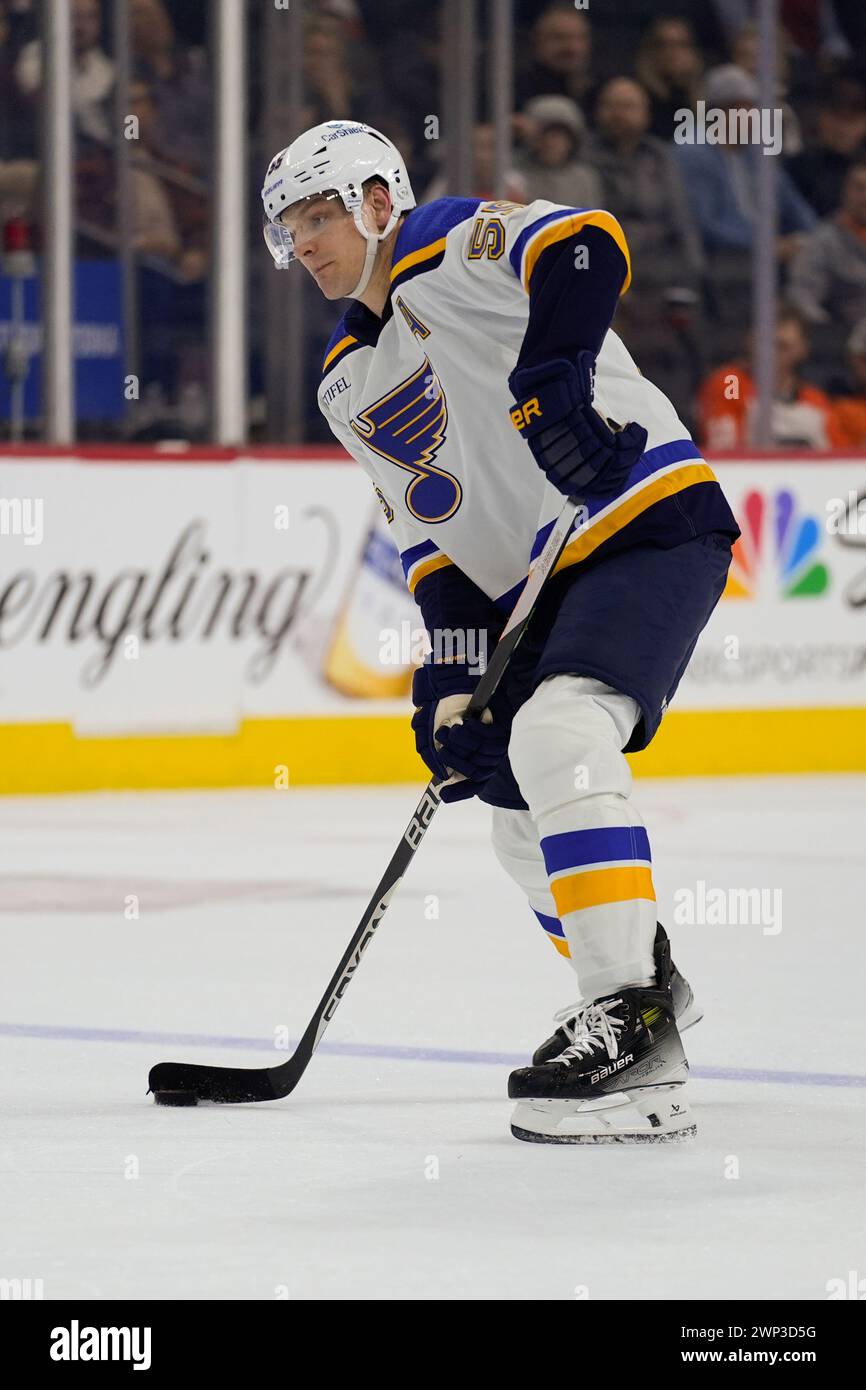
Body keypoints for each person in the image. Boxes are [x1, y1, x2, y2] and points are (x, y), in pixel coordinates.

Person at [261, 120, 739, 1144]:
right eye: (288, 227)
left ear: (377, 202)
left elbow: (583, 245)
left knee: (560, 734)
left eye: (317, 214)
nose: (303, 242)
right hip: (539, 577)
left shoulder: (442, 240)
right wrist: (449, 677)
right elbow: (433, 546)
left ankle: (631, 1020)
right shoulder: (346, 383)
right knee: (512, 804)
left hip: (646, 516)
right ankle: (640, 984)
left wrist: (552, 374)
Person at [698, 307, 847, 449]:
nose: (771, 353)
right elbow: (725, 451)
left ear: (802, 349)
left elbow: (841, 459)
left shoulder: (815, 401)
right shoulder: (731, 383)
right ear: (750, 341)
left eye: (782, 346)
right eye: (765, 344)